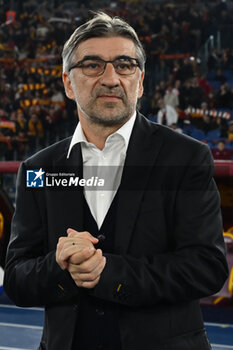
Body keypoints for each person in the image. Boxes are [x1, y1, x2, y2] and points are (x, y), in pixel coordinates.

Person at [4, 12, 228, 350]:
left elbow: (207, 267)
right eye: (93, 65)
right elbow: (18, 278)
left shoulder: (186, 157)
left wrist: (107, 271)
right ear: (67, 82)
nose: (111, 78)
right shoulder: (40, 168)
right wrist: (59, 264)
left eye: (124, 65)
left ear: (140, 82)